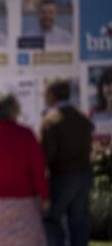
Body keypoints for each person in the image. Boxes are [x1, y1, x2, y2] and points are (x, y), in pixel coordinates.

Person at [0, 94, 48, 246]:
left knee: (1, 240)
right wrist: (44, 195)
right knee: (30, 240)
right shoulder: (26, 134)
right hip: (24, 199)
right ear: (14, 110)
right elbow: (38, 169)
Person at [41, 80, 93, 246]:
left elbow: (48, 154)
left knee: (52, 219)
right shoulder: (83, 118)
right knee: (78, 223)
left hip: (62, 177)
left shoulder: (51, 120)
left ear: (52, 96)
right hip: (84, 176)